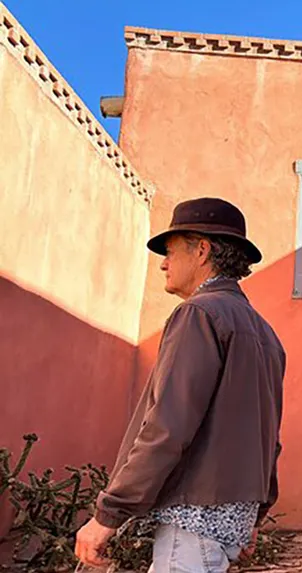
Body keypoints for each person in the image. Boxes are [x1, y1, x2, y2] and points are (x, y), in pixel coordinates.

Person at [74, 198, 285, 572]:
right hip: (229, 514)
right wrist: (254, 512)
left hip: (193, 516)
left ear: (202, 249)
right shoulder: (264, 333)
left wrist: (108, 513)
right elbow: (268, 436)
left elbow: (168, 427)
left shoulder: (199, 315)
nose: (163, 263)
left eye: (170, 251)